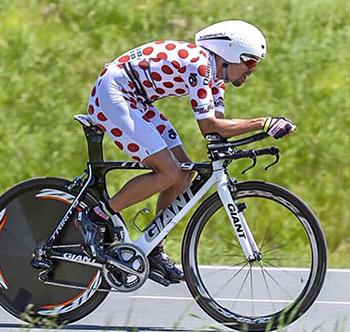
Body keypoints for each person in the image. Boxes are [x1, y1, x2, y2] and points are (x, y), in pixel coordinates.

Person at [78, 20, 296, 284]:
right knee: (168, 171)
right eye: (249, 63)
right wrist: (263, 122)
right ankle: (95, 216)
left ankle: (153, 246)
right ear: (228, 54)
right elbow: (209, 126)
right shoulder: (200, 65)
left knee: (184, 173)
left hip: (136, 98)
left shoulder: (217, 77)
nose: (252, 71)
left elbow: (217, 132)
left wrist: (251, 137)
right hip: (114, 93)